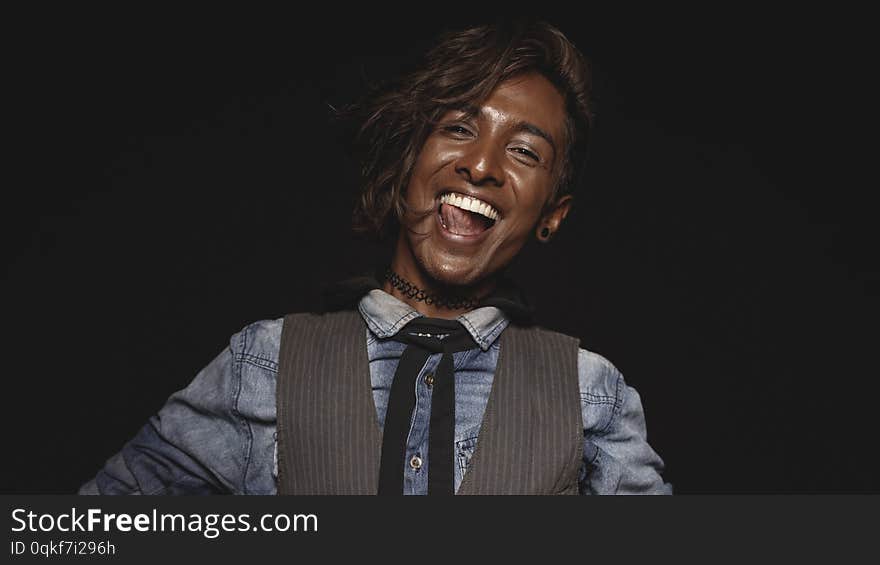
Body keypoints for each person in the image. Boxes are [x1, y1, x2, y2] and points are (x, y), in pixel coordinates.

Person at [79, 20, 672, 495]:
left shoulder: (589, 392)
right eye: (459, 128)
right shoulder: (265, 363)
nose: (483, 165)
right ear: (409, 156)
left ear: (552, 213)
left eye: (523, 150)